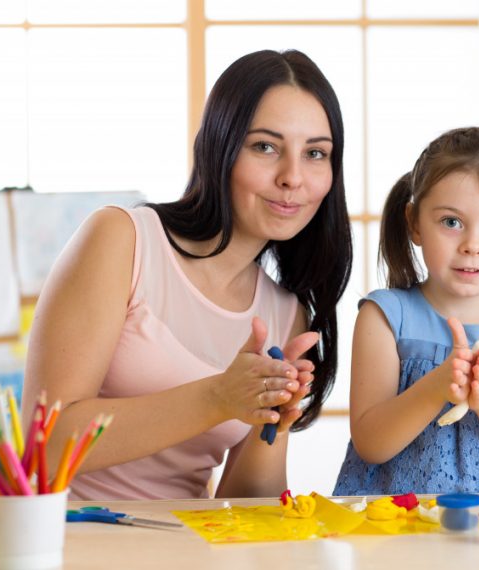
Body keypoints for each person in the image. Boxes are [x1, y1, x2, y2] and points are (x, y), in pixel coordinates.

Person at [22, 49, 352, 500]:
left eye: (316, 153)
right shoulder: (123, 240)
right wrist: (218, 397)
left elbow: (244, 504)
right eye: (265, 147)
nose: (293, 177)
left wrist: (272, 422)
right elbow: (43, 446)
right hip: (67, 543)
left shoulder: (285, 313)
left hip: (187, 550)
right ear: (220, 147)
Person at [334, 127, 479, 495]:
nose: (473, 245)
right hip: (399, 527)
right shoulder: (385, 318)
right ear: (414, 222)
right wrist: (438, 385)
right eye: (451, 222)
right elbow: (371, 444)